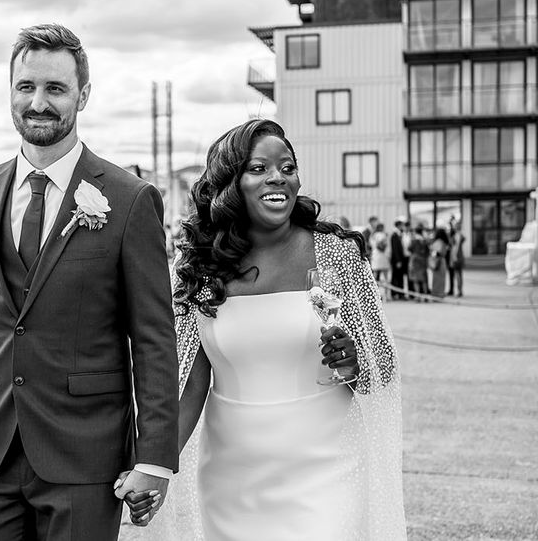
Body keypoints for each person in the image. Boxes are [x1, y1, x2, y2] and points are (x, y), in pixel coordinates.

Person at [0, 24, 178, 540]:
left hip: (86, 457)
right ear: (10, 92)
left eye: (56, 88)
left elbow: (154, 337)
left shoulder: (130, 199)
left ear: (83, 95)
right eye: (26, 87)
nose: (39, 102)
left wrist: (156, 458)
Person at [129, 119, 406, 539]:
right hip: (233, 477)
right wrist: (156, 468)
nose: (278, 177)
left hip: (328, 465)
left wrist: (352, 362)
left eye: (287, 167)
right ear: (230, 183)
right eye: (258, 169)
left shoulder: (337, 255)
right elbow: (190, 386)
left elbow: (381, 367)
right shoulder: (201, 269)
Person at [407, 225, 430, 301]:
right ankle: (425, 295)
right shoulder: (424, 240)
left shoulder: (414, 240)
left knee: (416, 279)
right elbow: (427, 251)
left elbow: (409, 248)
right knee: (423, 279)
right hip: (423, 260)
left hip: (415, 260)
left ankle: (417, 296)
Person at [370, 222, 391, 299]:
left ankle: (375, 295)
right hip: (383, 256)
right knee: (385, 277)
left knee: (375, 277)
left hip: (375, 257)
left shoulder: (373, 236)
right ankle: (387, 295)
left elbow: (371, 245)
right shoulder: (383, 235)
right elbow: (385, 246)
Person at [390, 218, 408, 300]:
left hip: (400, 259)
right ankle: (395, 293)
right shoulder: (394, 235)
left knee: (400, 276)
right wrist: (398, 260)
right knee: (396, 276)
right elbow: (395, 249)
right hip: (397, 260)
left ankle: (400, 293)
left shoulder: (399, 234)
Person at [429, 227, 450, 298]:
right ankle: (440, 293)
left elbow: (437, 252)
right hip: (442, 261)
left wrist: (432, 253)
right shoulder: (444, 242)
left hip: (437, 261)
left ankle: (436, 294)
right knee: (441, 279)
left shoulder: (438, 242)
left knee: (437, 278)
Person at [447, 221, 465, 297]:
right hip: (459, 256)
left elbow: (455, 248)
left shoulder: (456, 237)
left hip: (457, 257)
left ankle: (459, 290)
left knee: (458, 274)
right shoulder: (460, 236)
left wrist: (454, 257)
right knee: (459, 274)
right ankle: (459, 290)